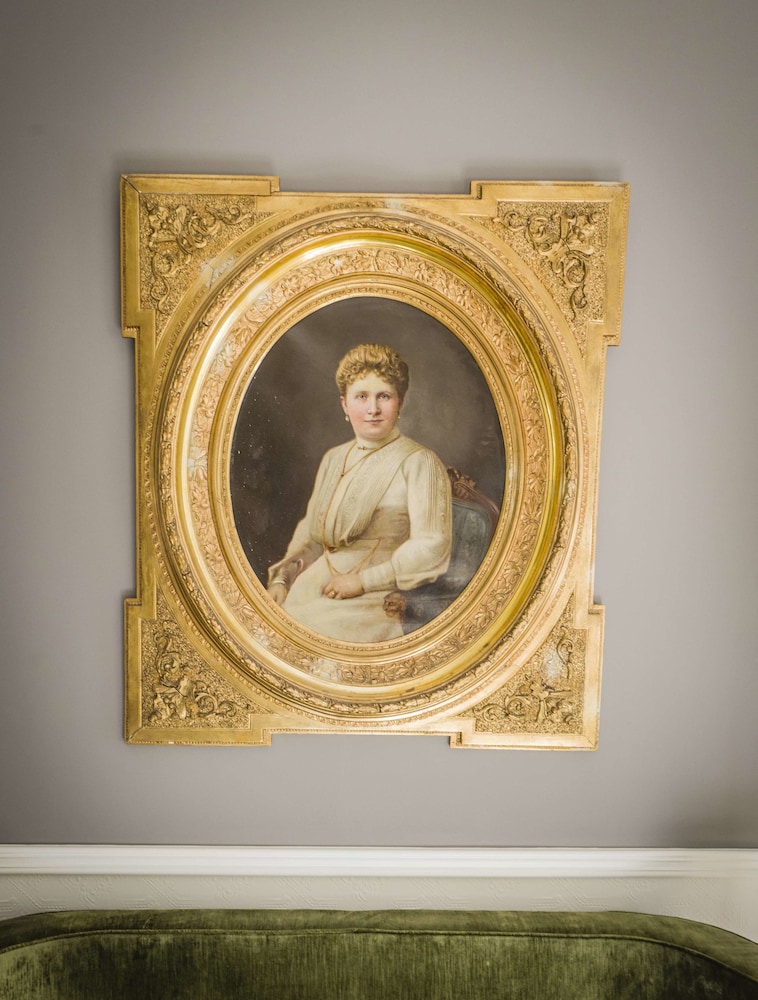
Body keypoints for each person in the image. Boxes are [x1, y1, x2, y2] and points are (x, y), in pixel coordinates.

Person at [267, 343, 452, 642]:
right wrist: (283, 579)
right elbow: (312, 535)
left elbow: (431, 545)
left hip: (375, 599)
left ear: (400, 402)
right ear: (344, 404)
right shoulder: (334, 458)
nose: (373, 409)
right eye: (362, 397)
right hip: (312, 587)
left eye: (384, 396)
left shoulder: (420, 462)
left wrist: (363, 582)